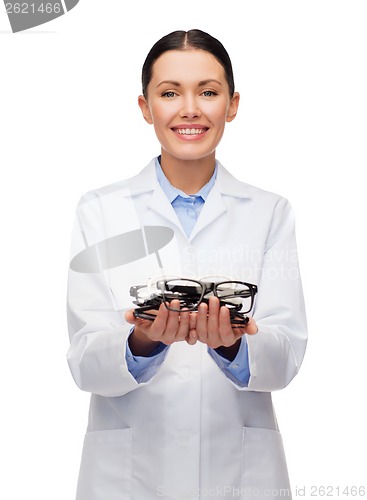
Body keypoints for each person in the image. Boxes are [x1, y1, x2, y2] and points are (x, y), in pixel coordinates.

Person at [67, 29, 307, 500]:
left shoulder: (269, 212)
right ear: (145, 107)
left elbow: (285, 356)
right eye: (170, 93)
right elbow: (84, 361)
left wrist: (234, 349)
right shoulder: (100, 210)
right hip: (127, 479)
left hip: (241, 476)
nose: (190, 109)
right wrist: (141, 341)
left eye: (209, 92)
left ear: (232, 105)